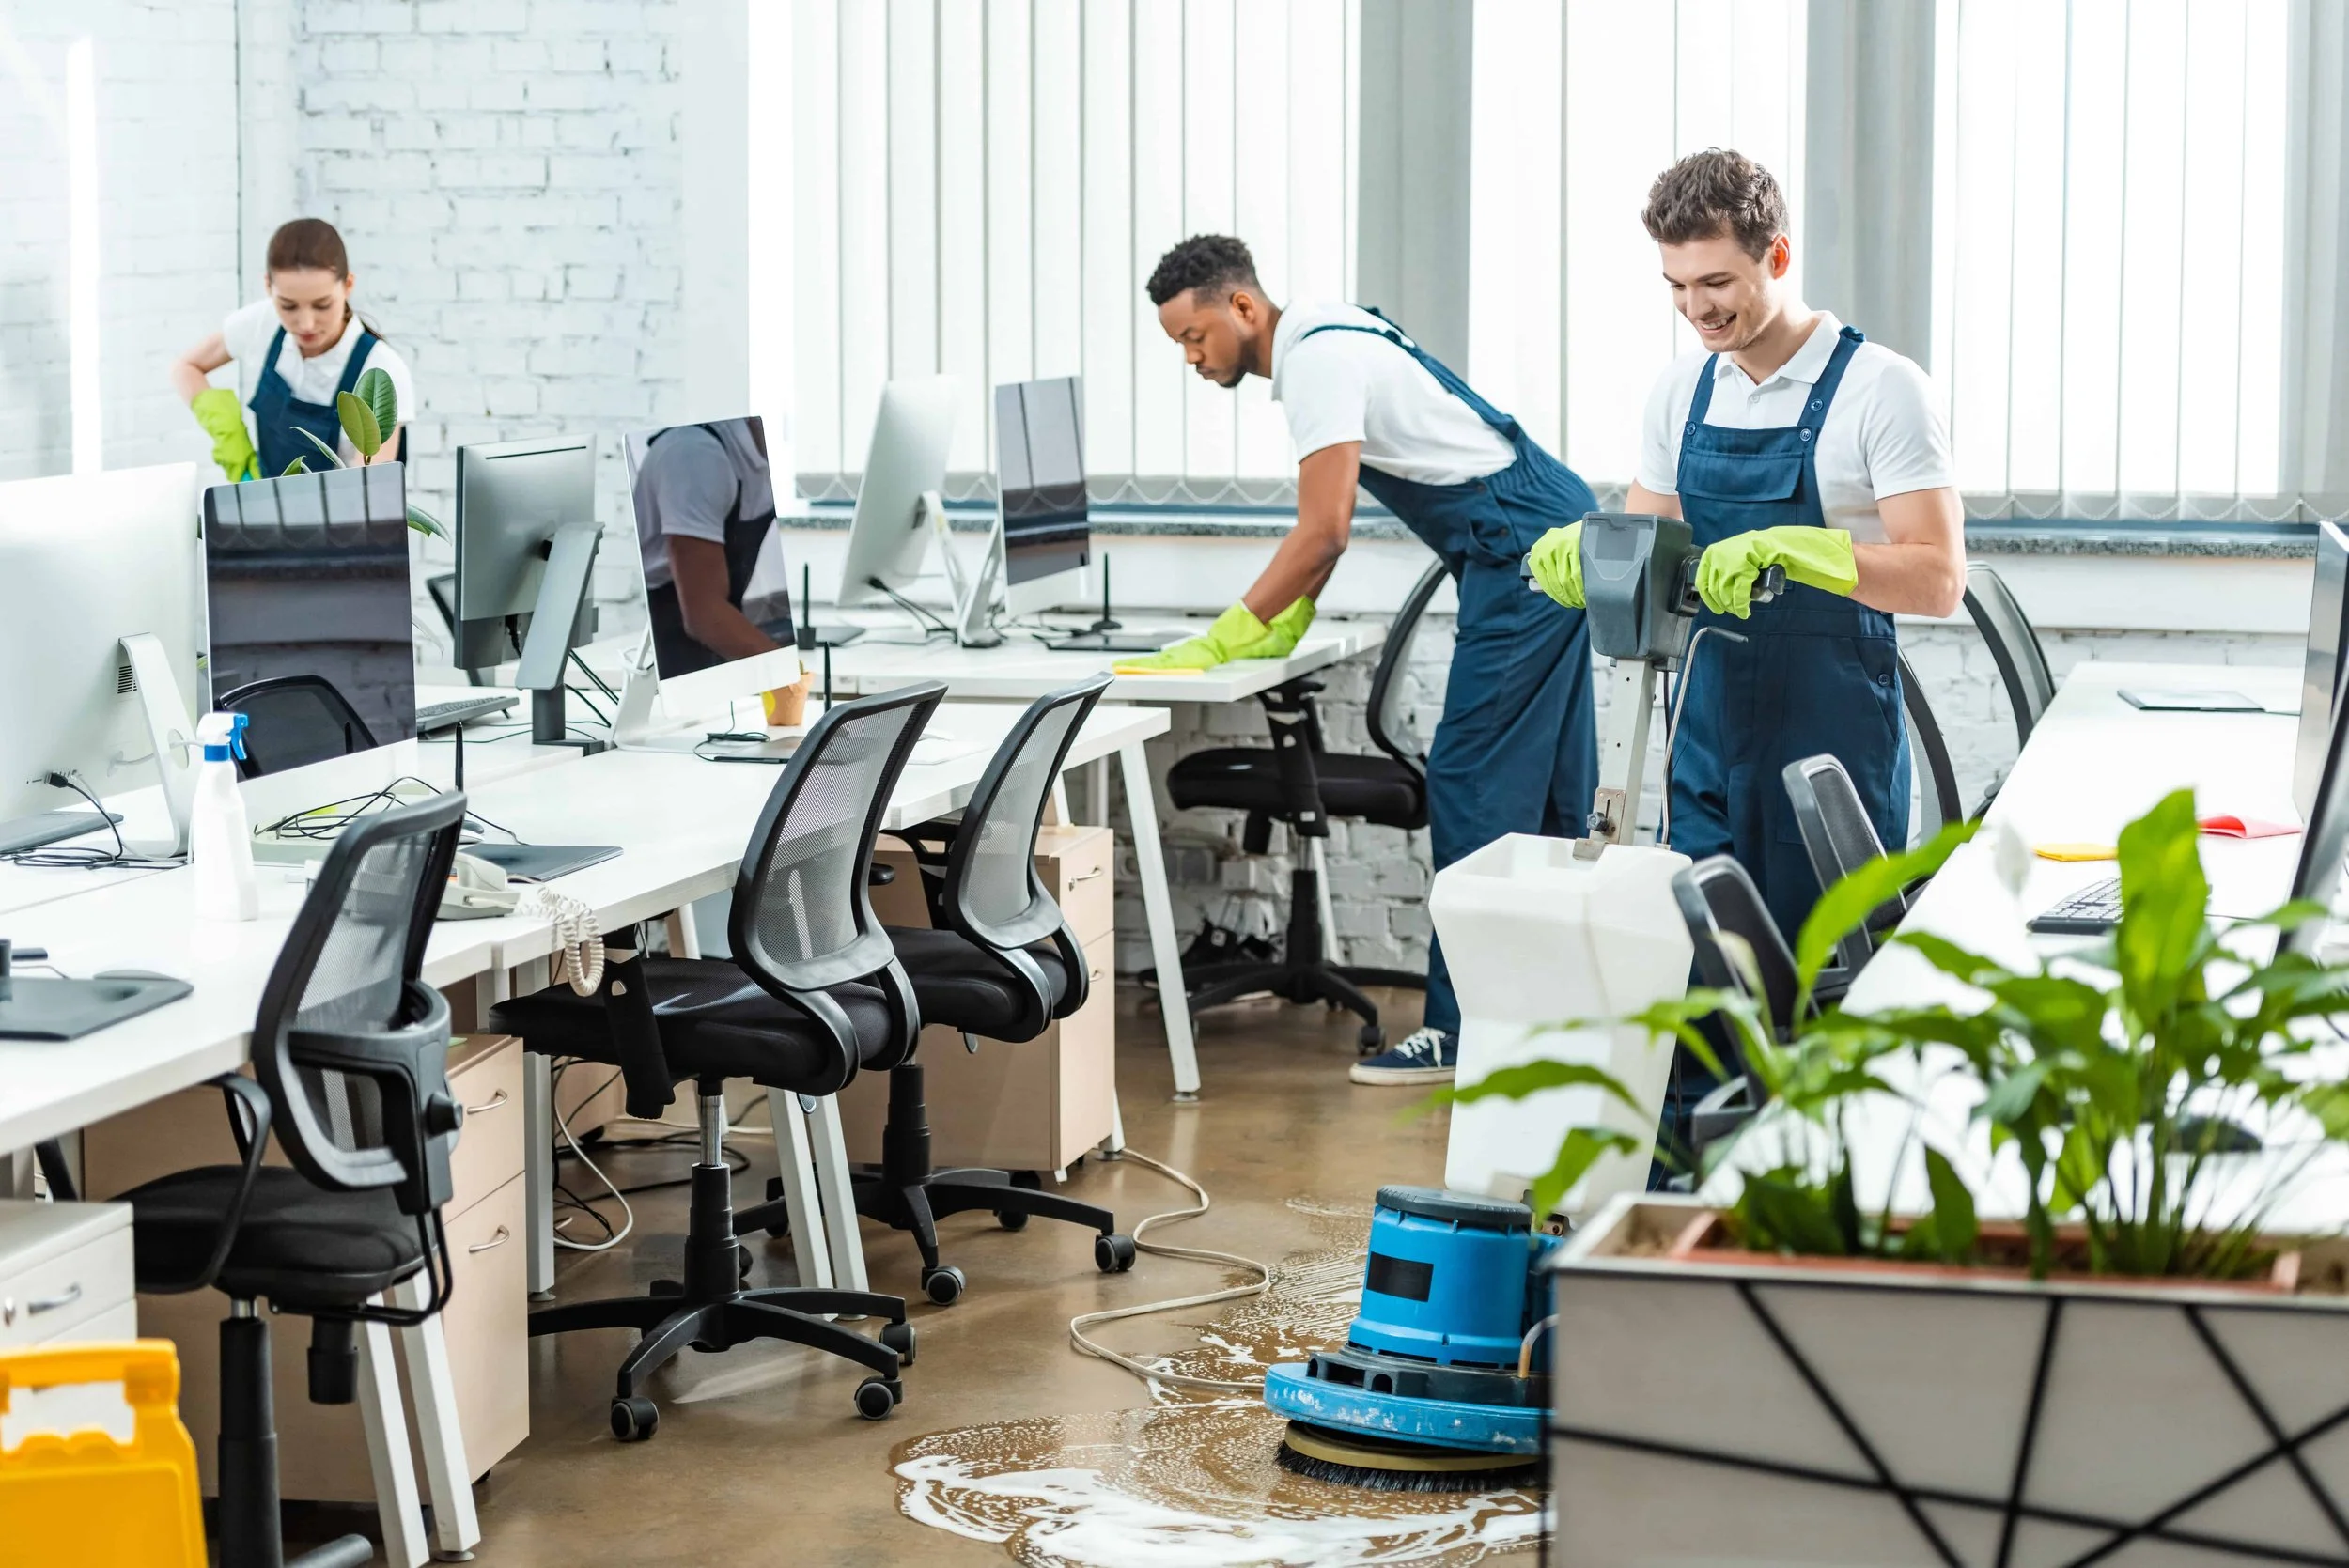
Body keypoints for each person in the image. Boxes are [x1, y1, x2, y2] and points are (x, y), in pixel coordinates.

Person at [1526, 149, 1964, 1155]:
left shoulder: (1880, 389)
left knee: (1816, 971)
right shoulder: (1681, 394)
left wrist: (1807, 551)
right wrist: (1590, 552)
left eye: (1717, 282)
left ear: (1777, 254)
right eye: (1676, 288)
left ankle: (1821, 1194)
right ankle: (1693, 1201)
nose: (1697, 310)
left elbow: (1939, 579)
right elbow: (1648, 549)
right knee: (1701, 965)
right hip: (1706, 719)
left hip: (1828, 737)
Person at [1137, 235, 1598, 1088]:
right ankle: (1565, 1016)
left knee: (1473, 781)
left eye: (1193, 336)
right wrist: (1289, 614)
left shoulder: (1314, 362)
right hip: (1548, 528)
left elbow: (1325, 528)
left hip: (1526, 551)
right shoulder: (1333, 334)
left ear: (1242, 308)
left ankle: (1463, 1032)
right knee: (1552, 790)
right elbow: (1332, 527)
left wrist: (1232, 631)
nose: (1193, 357)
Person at [169, 218, 416, 482]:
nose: (306, 324)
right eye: (288, 306)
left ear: (348, 286)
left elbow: (374, 491)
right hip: (265, 506)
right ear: (268, 287)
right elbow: (187, 368)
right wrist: (230, 438)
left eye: (322, 305)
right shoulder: (262, 322)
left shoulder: (380, 371)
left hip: (344, 518)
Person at [631, 415, 798, 679]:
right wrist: (787, 676)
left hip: (718, 633)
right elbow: (703, 615)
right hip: (671, 643)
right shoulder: (694, 455)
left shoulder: (764, 456)